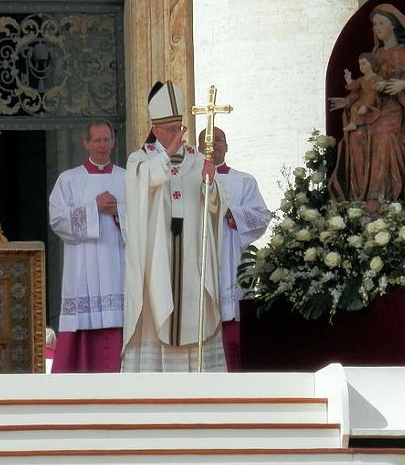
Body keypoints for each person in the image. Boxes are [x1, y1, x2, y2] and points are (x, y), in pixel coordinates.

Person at [122, 80, 227, 372]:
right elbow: (143, 183)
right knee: (157, 303)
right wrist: (166, 155)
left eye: (179, 127)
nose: (178, 134)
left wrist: (211, 182)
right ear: (156, 130)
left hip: (191, 253)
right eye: (171, 130)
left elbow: (214, 206)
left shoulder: (196, 159)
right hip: (157, 256)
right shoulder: (140, 160)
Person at [328, 4, 405, 212]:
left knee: (382, 132)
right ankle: (360, 196)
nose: (377, 28)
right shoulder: (376, 53)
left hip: (397, 107)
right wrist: (348, 101)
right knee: (356, 136)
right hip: (374, 105)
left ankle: (382, 195)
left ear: (393, 26)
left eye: (381, 23)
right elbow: (365, 84)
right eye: (374, 24)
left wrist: (403, 83)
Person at [48, 120, 126, 372]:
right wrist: (94, 208)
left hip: (117, 264)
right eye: (97, 140)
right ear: (86, 143)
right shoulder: (69, 180)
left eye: (107, 140)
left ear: (114, 142)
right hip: (83, 266)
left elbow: (144, 220)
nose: (102, 145)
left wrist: (119, 212)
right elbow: (58, 220)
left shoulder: (127, 178)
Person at [198, 127, 270, 371]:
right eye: (206, 141)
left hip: (231, 259)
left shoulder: (244, 181)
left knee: (233, 323)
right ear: (198, 147)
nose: (212, 145)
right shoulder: (186, 181)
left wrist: (231, 214)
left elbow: (261, 217)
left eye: (218, 140)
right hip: (198, 258)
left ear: (226, 146)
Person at [329, 52, 384, 132]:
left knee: (370, 96)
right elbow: (355, 87)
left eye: (364, 63)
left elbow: (382, 85)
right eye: (360, 64)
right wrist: (350, 82)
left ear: (371, 64)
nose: (361, 66)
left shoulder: (377, 77)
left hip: (374, 98)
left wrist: (382, 85)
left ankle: (366, 108)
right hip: (362, 100)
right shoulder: (361, 79)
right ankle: (353, 124)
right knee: (354, 107)